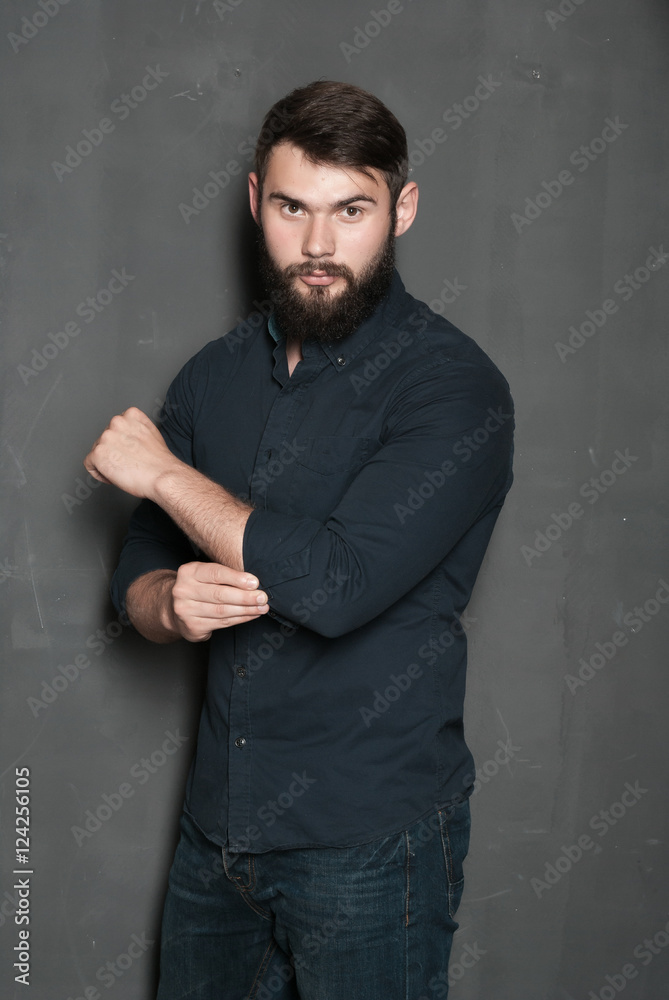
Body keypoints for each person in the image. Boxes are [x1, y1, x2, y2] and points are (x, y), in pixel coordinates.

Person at [84, 80, 514, 1000]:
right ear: (254, 203)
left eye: (350, 210)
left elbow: (334, 585)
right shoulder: (210, 377)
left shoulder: (453, 390)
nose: (319, 245)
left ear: (401, 209)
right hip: (216, 837)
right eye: (292, 208)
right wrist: (169, 603)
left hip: (370, 846)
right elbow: (137, 575)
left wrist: (162, 472)